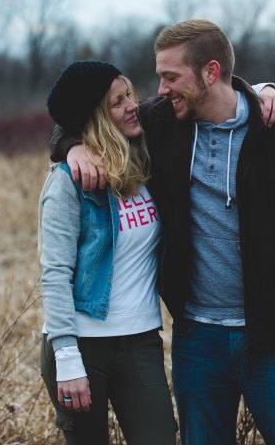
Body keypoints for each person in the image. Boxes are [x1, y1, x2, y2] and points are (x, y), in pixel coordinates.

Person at [51, 19, 275, 445]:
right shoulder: (161, 123)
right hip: (198, 339)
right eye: (159, 76)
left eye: (171, 77)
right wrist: (71, 145)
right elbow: (86, 116)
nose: (161, 87)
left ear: (210, 72)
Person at [38, 60, 178, 444]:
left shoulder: (147, 159)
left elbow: (207, 96)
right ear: (97, 118)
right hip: (80, 345)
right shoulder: (68, 183)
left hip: (140, 339)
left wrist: (267, 90)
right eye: (118, 102)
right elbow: (55, 275)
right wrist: (67, 358)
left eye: (129, 93)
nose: (133, 104)